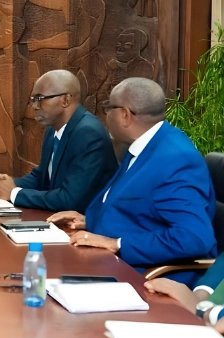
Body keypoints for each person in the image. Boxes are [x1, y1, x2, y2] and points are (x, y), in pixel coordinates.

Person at [47, 78, 217, 286]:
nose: (105, 115)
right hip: (111, 262)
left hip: (148, 278)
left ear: (125, 115)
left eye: (108, 108)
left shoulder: (175, 159)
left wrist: (117, 243)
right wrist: (90, 220)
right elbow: (139, 210)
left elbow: (194, 238)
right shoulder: (144, 144)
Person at [0, 70, 118, 212]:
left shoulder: (88, 133)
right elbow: (42, 177)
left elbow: (70, 199)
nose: (35, 106)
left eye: (40, 99)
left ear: (65, 100)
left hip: (88, 221)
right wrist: (3, 185)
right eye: (33, 100)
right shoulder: (53, 130)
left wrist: (13, 193)